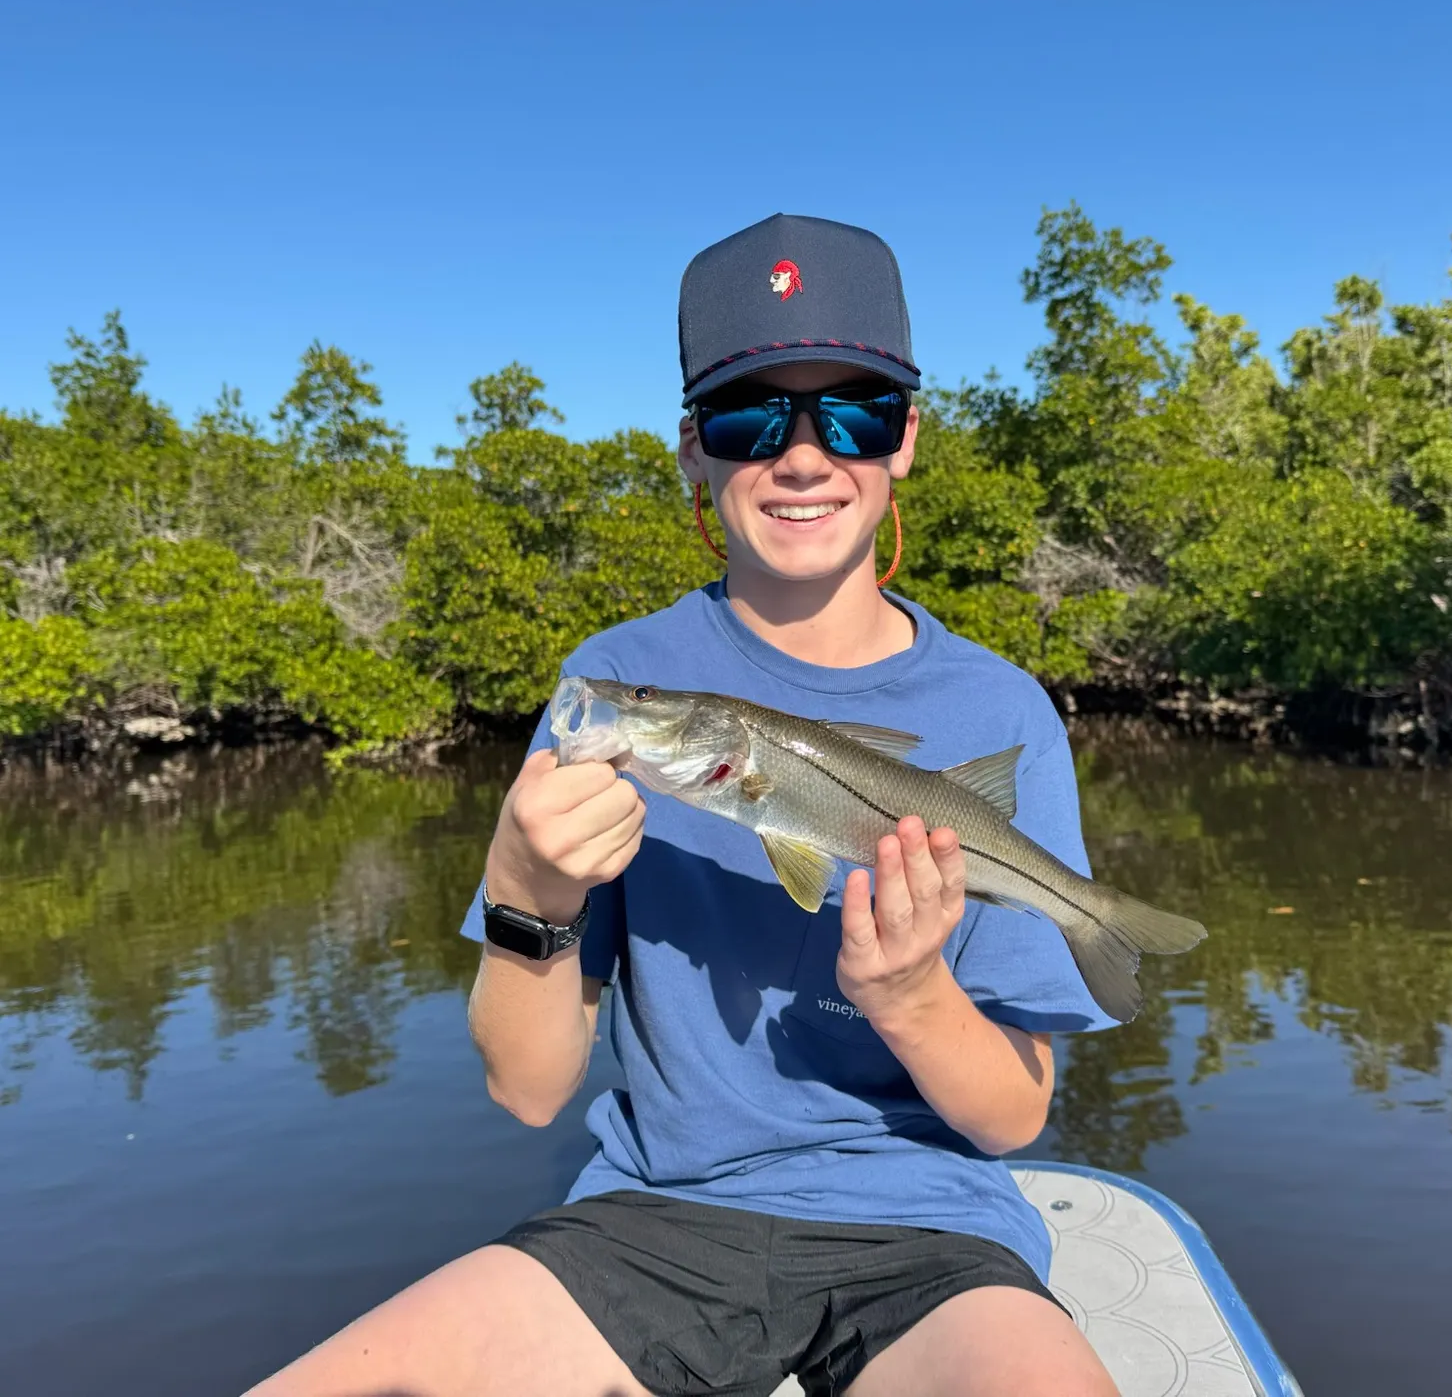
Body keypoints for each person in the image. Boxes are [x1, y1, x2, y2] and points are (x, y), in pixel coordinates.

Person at [248, 214, 1122, 1397]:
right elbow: (528, 1088)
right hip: (655, 1214)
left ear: (904, 439)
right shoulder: (610, 678)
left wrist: (913, 995)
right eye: (748, 415)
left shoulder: (998, 707)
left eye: (851, 410)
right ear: (691, 450)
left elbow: (1015, 1118)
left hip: (934, 1234)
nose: (802, 456)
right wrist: (524, 887)